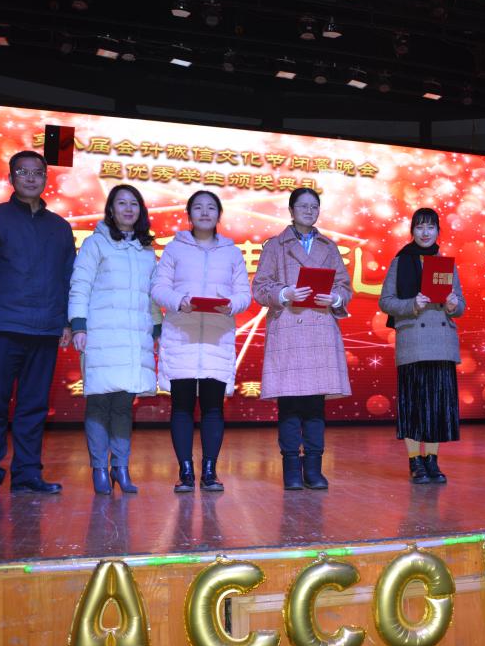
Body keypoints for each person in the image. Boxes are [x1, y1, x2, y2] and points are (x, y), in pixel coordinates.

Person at [0, 150, 75, 500]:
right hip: (1, 327)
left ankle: (27, 474)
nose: (30, 178)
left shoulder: (60, 227)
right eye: (22, 172)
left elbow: (68, 279)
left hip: (45, 330)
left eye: (37, 172)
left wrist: (66, 322)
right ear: (11, 178)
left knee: (34, 406)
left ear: (46, 179)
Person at [151, 191, 251, 493]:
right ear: (189, 213)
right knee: (181, 407)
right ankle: (185, 471)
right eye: (198, 207)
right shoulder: (174, 249)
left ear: (218, 214)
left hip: (216, 338)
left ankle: (209, 471)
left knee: (213, 408)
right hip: (181, 335)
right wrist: (178, 301)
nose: (205, 212)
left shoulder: (232, 253)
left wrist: (231, 305)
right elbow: (158, 288)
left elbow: (244, 294)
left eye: (211, 208)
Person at [253, 188, 352, 490]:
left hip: (320, 330)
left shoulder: (329, 247)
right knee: (290, 405)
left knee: (315, 406)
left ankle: (313, 468)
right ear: (291, 210)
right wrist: (285, 293)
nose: (309, 211)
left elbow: (344, 286)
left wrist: (335, 298)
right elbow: (260, 287)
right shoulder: (275, 246)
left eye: (314, 207)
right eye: (303, 206)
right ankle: (291, 470)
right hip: (288, 329)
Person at [69, 184, 161, 495]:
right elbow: (80, 285)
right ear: (111, 209)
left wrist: (157, 327)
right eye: (121, 203)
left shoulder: (146, 250)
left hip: (134, 337)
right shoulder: (95, 244)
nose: (128, 209)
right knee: (99, 402)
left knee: (123, 404)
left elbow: (151, 295)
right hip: (101, 334)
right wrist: (78, 325)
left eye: (134, 203)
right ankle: (99, 468)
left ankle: (121, 467)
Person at [379, 208, 465, 484]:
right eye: (419, 227)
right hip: (413, 341)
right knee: (414, 405)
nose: (425, 233)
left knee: (438, 405)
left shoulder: (445, 263)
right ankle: (415, 461)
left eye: (430, 227)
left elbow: (461, 306)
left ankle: (432, 461)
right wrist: (411, 305)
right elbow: (385, 302)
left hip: (442, 343)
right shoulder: (400, 261)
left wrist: (452, 304)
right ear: (412, 231)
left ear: (438, 231)